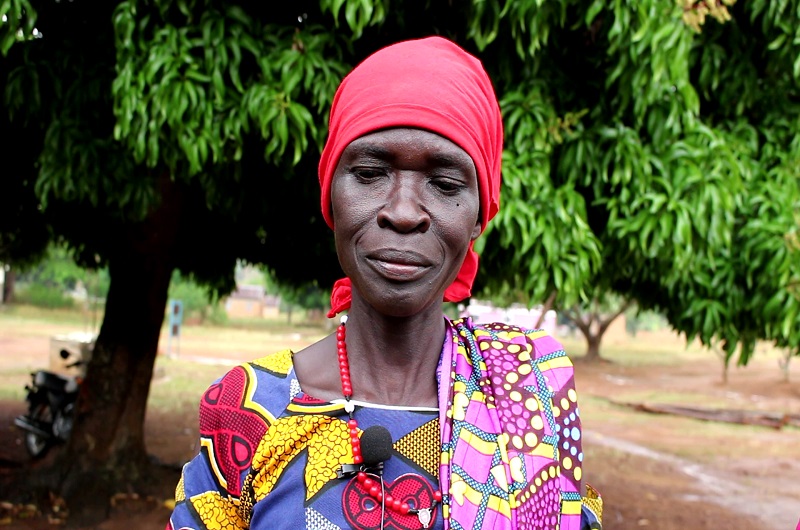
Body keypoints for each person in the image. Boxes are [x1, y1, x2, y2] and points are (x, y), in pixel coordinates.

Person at [167, 36, 602, 530]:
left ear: (480, 215)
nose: (403, 212)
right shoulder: (248, 410)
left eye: (445, 184)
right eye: (371, 173)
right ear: (331, 196)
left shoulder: (528, 394)